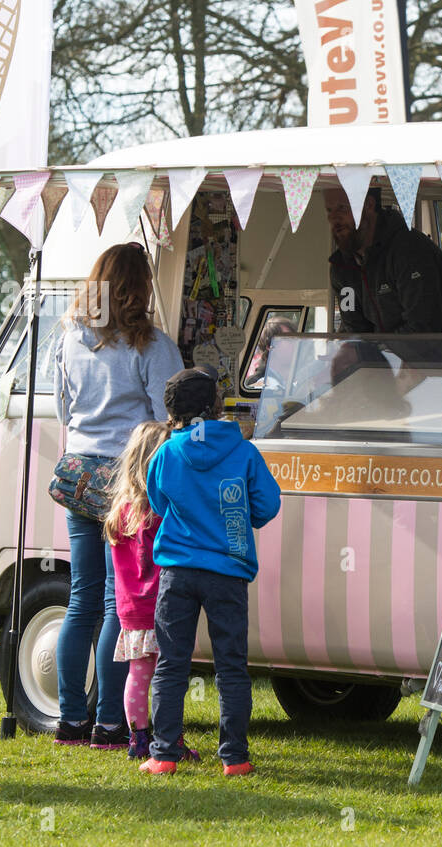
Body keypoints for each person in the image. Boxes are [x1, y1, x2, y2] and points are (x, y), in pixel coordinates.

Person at [51, 242, 184, 748]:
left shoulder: (69, 339)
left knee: (80, 596)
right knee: (116, 599)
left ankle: (70, 719)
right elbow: (166, 415)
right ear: (140, 287)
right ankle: (109, 722)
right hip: (126, 477)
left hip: (77, 470)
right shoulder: (149, 346)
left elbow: (64, 410)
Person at [141, 367, 281, 776]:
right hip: (228, 570)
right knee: (231, 666)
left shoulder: (166, 453)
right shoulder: (244, 452)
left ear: (173, 413)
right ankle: (234, 758)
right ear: (216, 407)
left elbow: (159, 502)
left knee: (171, 663)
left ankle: (163, 754)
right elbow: (268, 507)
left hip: (178, 571)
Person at [102, 420, 198, 762]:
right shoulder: (159, 511)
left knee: (138, 676)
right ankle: (170, 739)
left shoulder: (120, 511)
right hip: (160, 605)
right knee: (169, 678)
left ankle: (138, 740)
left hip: (130, 609)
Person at [324, 187, 442, 335]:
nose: (333, 218)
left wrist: (378, 352)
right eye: (329, 210)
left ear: (368, 204)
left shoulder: (409, 250)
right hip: (404, 362)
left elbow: (423, 328)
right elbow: (355, 332)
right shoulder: (342, 268)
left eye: (342, 208)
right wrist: (349, 352)